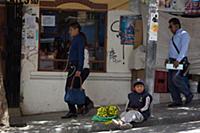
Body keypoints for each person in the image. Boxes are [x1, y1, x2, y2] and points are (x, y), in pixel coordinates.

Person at [166, 18, 193, 107]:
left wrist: (178, 60)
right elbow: (172, 49)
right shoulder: (174, 36)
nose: (170, 28)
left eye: (171, 26)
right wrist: (167, 58)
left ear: (176, 25)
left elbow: (184, 49)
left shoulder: (184, 34)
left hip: (179, 61)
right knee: (170, 81)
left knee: (176, 78)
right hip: (172, 61)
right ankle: (176, 100)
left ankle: (188, 94)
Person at [61, 22, 85, 119]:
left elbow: (80, 55)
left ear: (76, 29)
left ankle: (74, 110)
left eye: (71, 30)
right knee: (71, 88)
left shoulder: (79, 39)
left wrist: (79, 68)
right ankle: (78, 108)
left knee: (69, 88)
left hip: (75, 67)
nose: (69, 32)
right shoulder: (75, 39)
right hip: (72, 67)